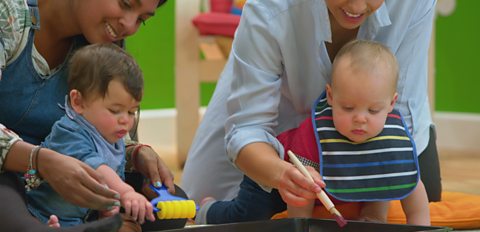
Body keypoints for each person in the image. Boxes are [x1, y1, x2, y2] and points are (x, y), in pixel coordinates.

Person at [182, 0, 442, 213]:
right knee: (214, 206)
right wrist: (281, 174)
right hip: (278, 126)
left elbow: (400, 110)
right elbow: (249, 128)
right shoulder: (269, 7)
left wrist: (377, 203)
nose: (358, 5)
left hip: (373, 128)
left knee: (423, 195)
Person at [0, 0, 175, 232]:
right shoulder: (8, 14)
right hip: (14, 176)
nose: (129, 26)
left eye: (142, 19)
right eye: (126, 3)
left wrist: (135, 154)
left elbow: (103, 134)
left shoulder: (102, 47)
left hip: (63, 180)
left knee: (161, 203)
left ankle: (96, 230)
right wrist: (40, 159)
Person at [195, 40, 430, 226]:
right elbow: (301, 193)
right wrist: (300, 230)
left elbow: (408, 183)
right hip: (276, 178)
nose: (360, 118)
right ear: (330, 96)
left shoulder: (391, 136)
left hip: (331, 188)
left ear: (391, 104)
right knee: (248, 217)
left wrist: (421, 230)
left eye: (373, 109)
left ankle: (372, 215)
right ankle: (209, 210)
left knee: (377, 177)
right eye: (348, 108)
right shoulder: (314, 139)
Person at [26, 43, 156, 231]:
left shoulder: (113, 137)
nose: (125, 121)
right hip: (38, 214)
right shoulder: (69, 132)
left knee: (128, 227)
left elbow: (110, 181)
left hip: (78, 219)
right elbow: (95, 168)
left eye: (131, 112)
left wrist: (107, 208)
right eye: (115, 110)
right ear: (78, 102)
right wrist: (126, 192)